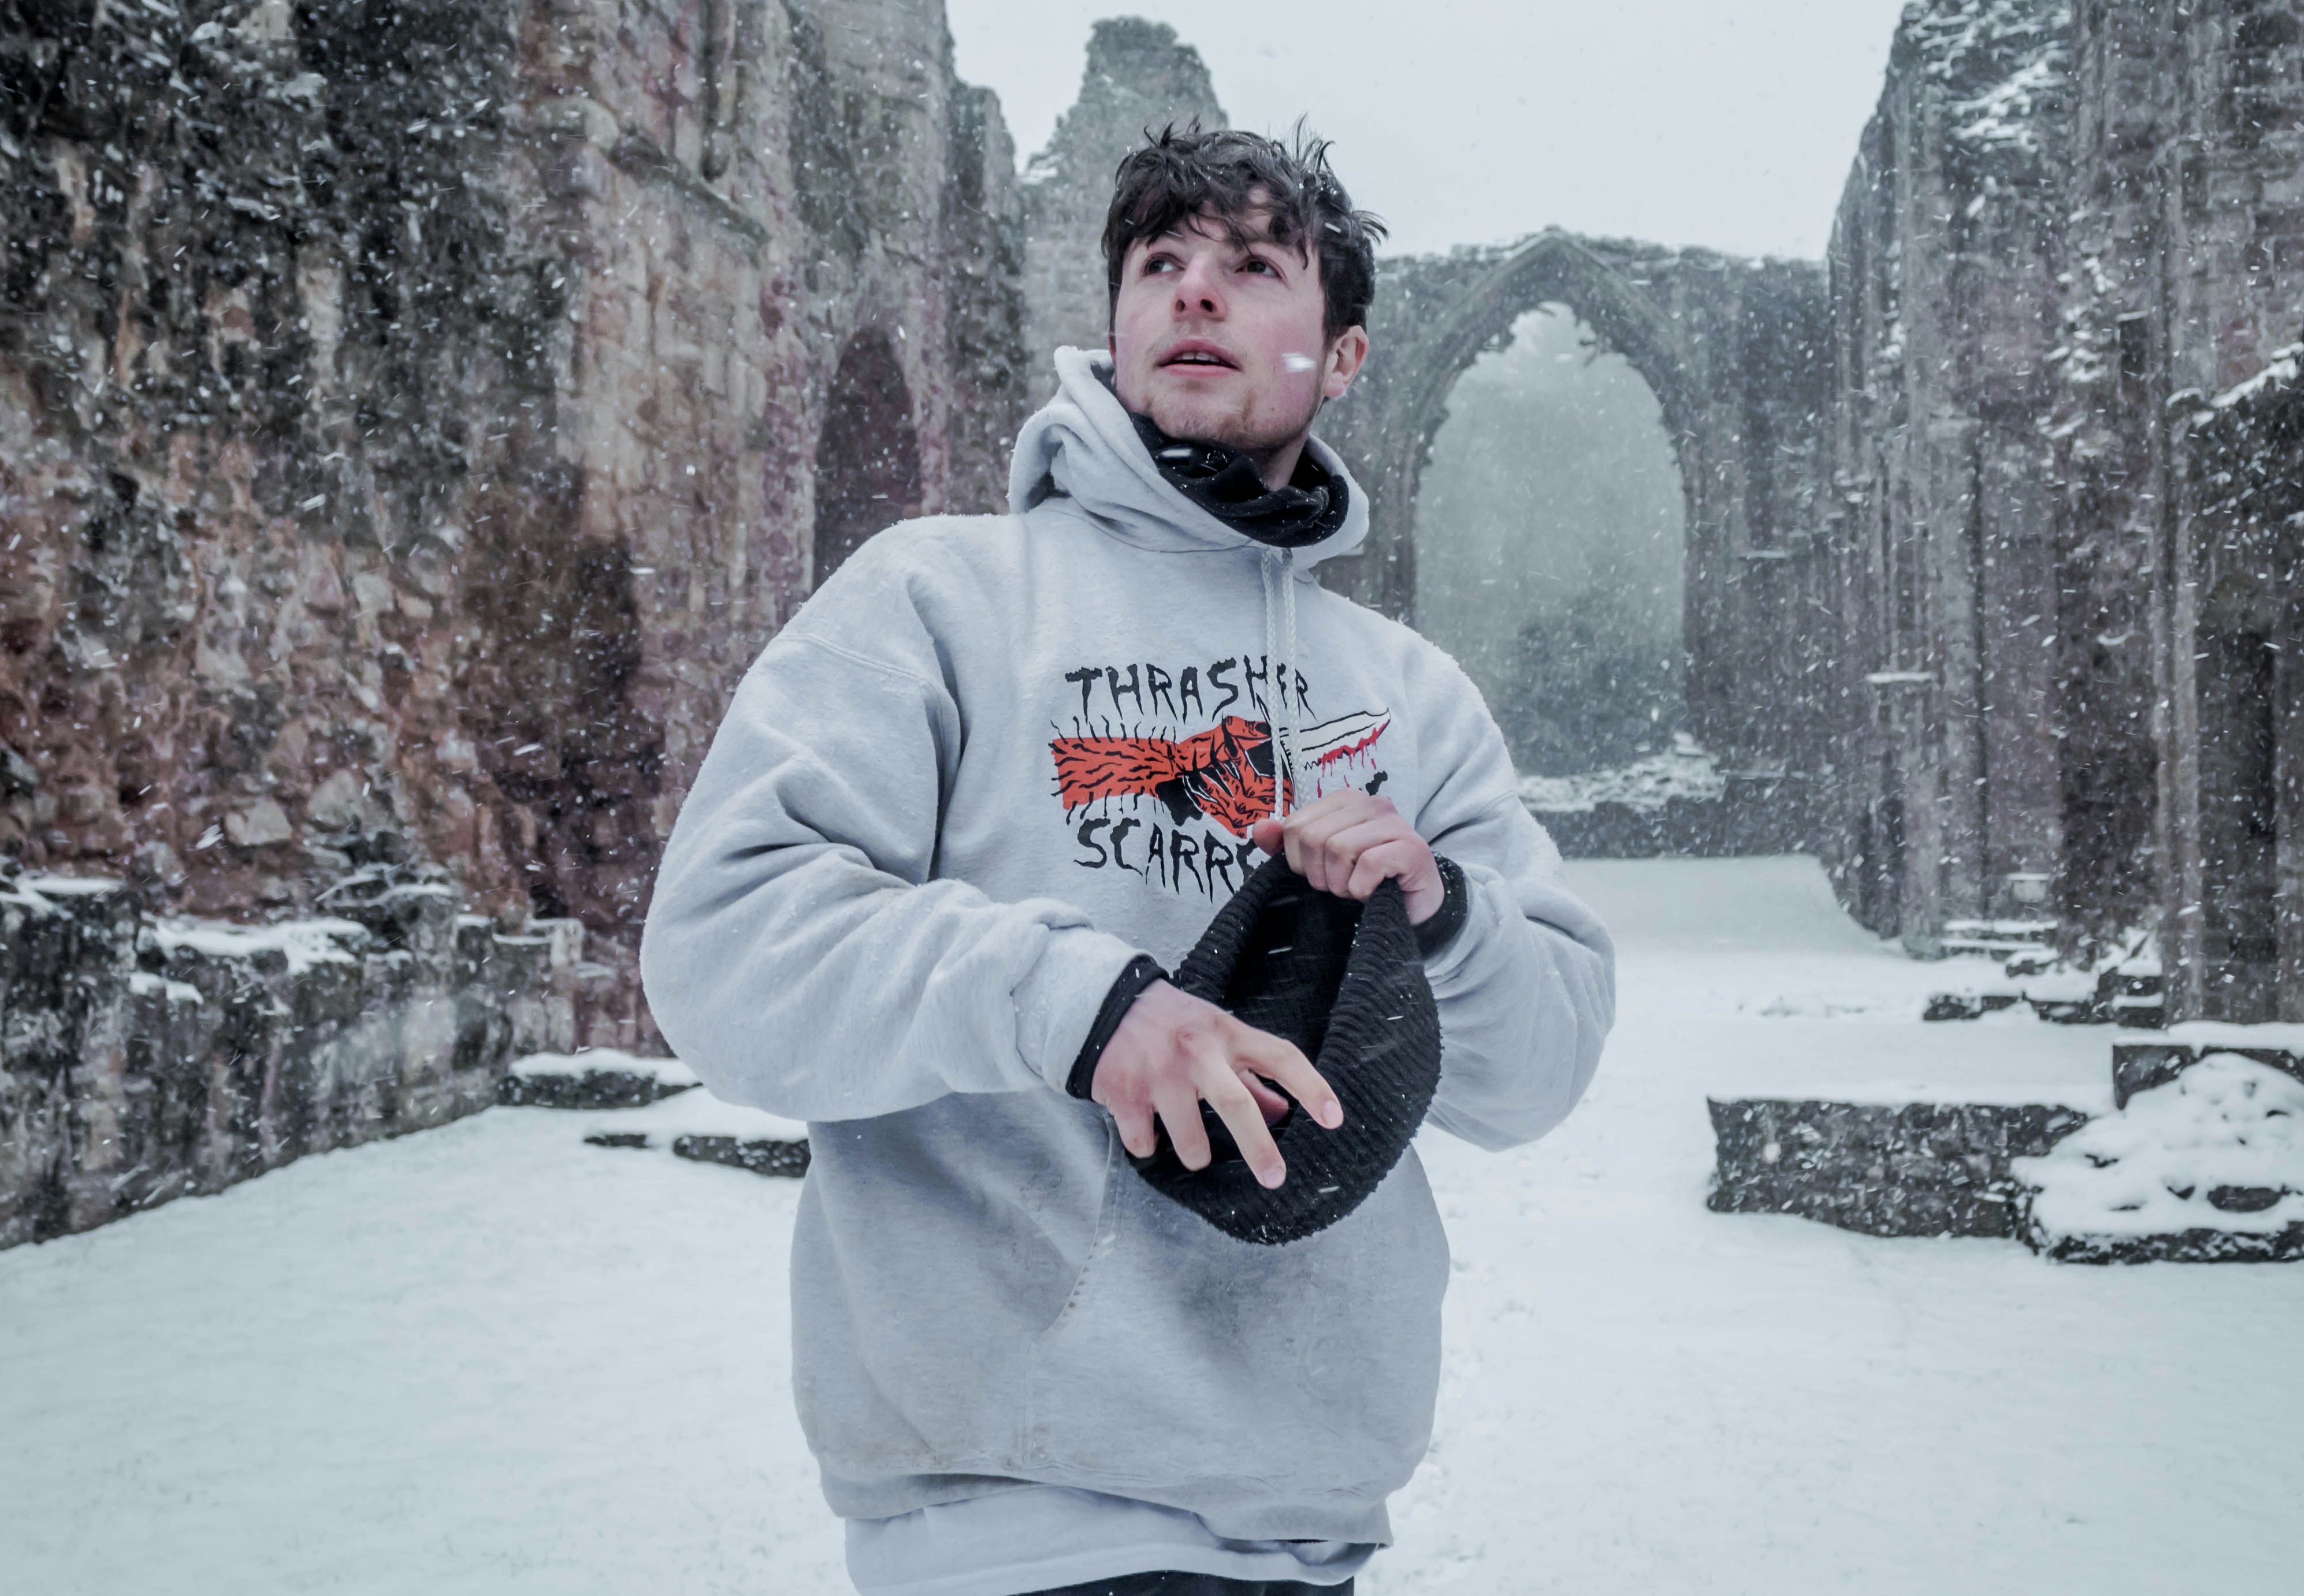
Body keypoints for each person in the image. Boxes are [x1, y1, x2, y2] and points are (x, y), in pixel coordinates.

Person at [641, 126, 1615, 1596]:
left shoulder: (1409, 695)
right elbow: (724, 948)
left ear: (1342, 357)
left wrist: (1445, 915)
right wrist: (1077, 1004)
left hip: (1303, 1527)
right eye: (1160, 263)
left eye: (1253, 267)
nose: (1195, 295)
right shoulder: (936, 597)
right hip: (1000, 1514)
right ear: (1111, 321)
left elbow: (1533, 1080)